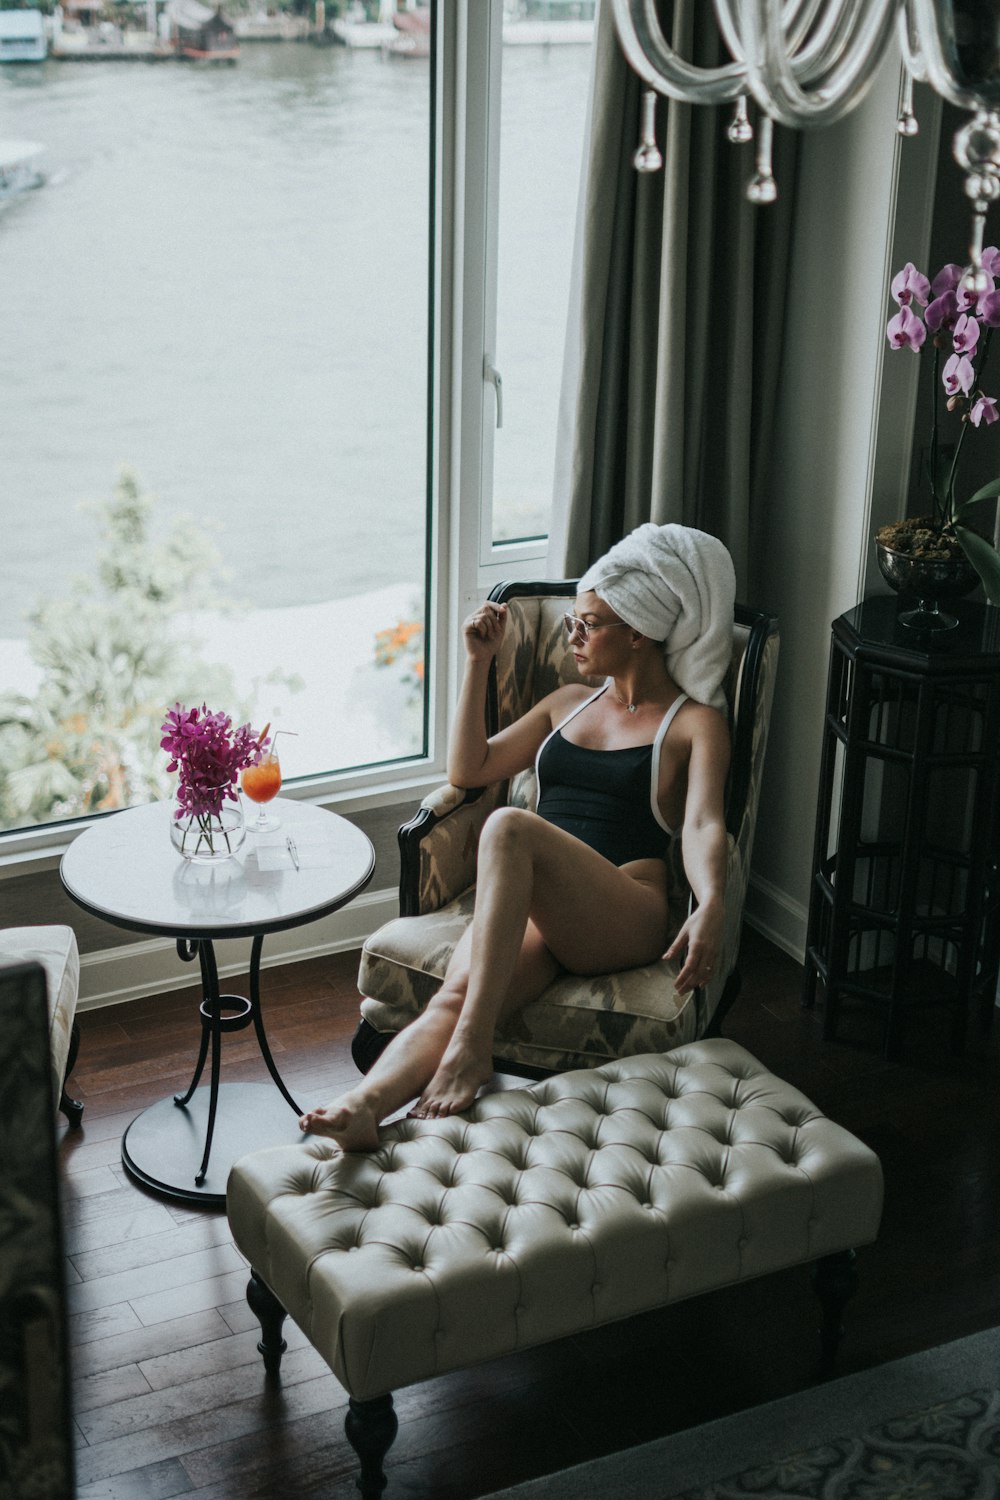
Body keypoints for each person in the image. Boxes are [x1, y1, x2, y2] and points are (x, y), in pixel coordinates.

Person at [299, 522, 736, 1151]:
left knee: (509, 825)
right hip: (536, 906)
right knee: (457, 993)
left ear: (638, 631)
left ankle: (474, 1051)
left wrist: (713, 902)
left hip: (624, 910)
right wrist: (478, 662)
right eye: (573, 623)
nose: (573, 636)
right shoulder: (567, 704)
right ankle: (364, 1107)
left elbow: (702, 823)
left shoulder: (694, 724)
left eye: (588, 624)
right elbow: (468, 770)